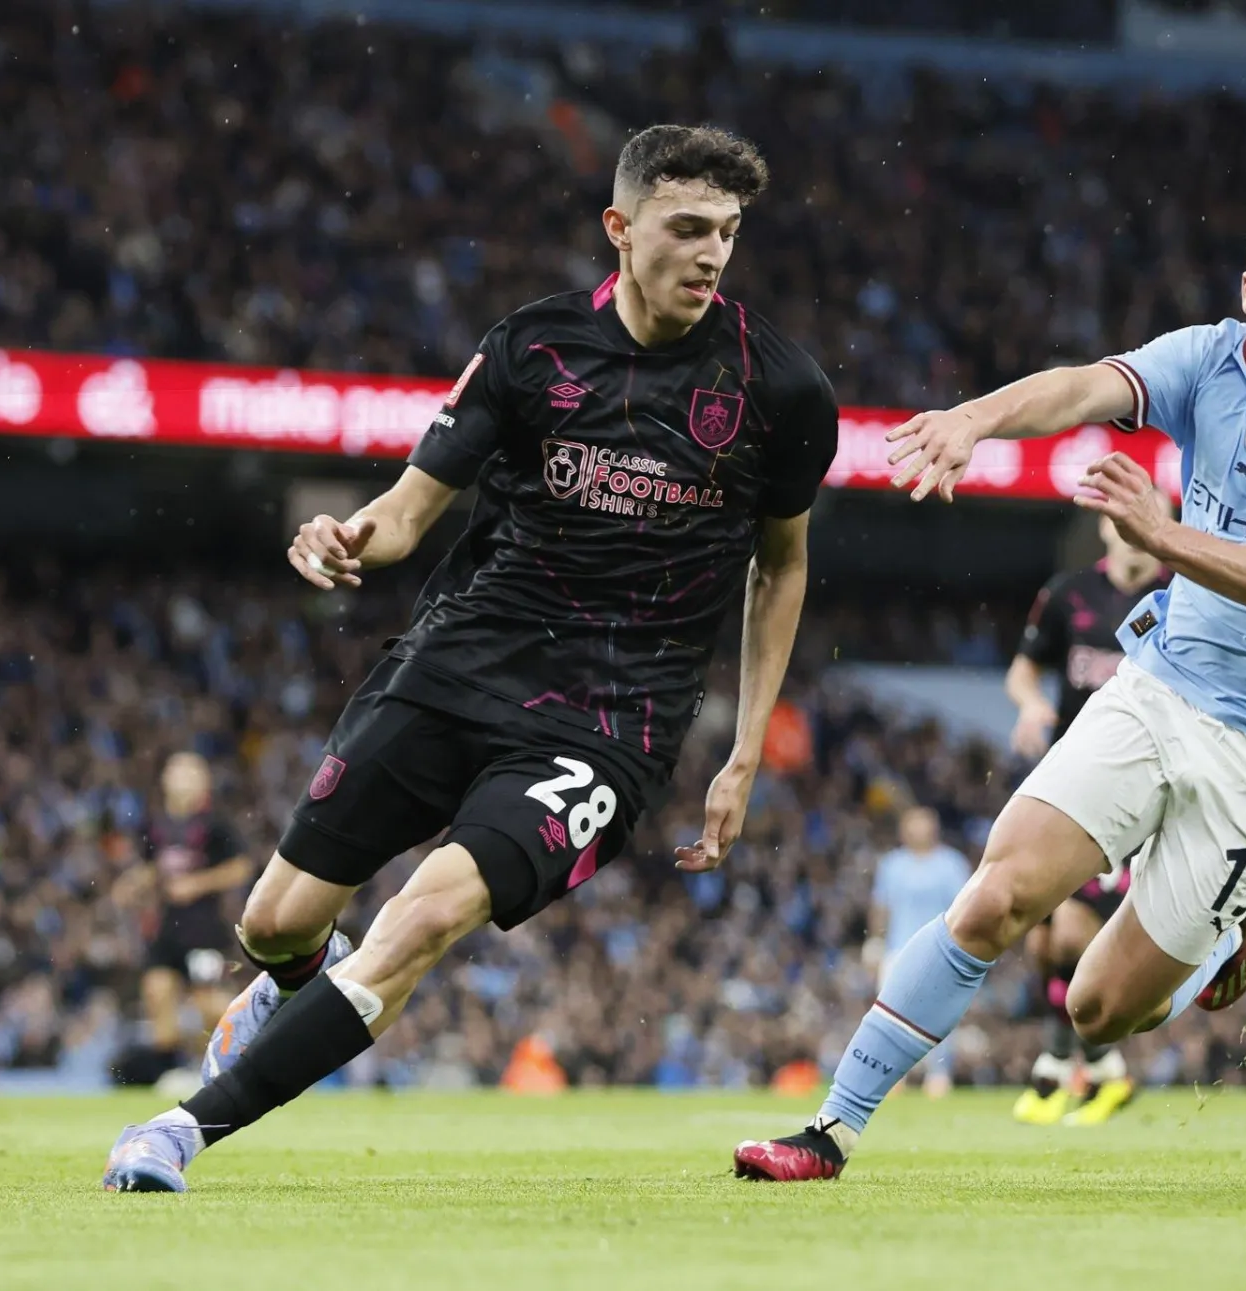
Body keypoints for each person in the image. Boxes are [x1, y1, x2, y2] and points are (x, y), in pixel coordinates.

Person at [104, 123, 839, 1191]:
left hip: (612, 720)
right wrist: (350, 535)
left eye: (727, 233)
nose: (712, 254)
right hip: (463, 662)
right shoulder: (530, 348)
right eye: (687, 228)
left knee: (423, 918)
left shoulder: (781, 388)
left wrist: (743, 756)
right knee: (273, 922)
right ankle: (286, 982)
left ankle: (179, 1130)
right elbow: (407, 512)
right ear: (620, 229)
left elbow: (783, 567)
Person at [735, 194, 1246, 1180]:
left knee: (1102, 1009)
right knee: (996, 897)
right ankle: (830, 1131)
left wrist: (1164, 537)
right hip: (1164, 683)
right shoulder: (1210, 357)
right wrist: (975, 419)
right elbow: (1082, 387)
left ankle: (1230, 923)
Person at [1006, 517, 1169, 1126]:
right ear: (1105, 527)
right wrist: (1032, 704)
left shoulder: (1183, 597)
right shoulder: (1068, 594)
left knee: (1073, 932)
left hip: (1136, 791)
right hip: (1069, 780)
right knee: (1044, 938)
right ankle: (1097, 1070)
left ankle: (1060, 1068)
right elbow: (1022, 669)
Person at [131, 753, 253, 1081]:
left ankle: (242, 1055)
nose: (181, 776)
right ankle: (171, 1071)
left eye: (189, 770)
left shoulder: (215, 823)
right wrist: (132, 885)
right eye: (176, 769)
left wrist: (196, 885)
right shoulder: (153, 824)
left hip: (203, 930)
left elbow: (241, 868)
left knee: (210, 1003)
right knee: (157, 994)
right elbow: (150, 868)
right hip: (166, 928)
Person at [867, 806, 972, 1099]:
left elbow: (964, 907)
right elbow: (881, 907)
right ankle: (892, 1075)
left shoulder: (951, 864)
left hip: (940, 949)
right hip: (898, 948)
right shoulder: (893, 864)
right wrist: (874, 943)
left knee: (938, 1014)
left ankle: (939, 1074)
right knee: (891, 1013)